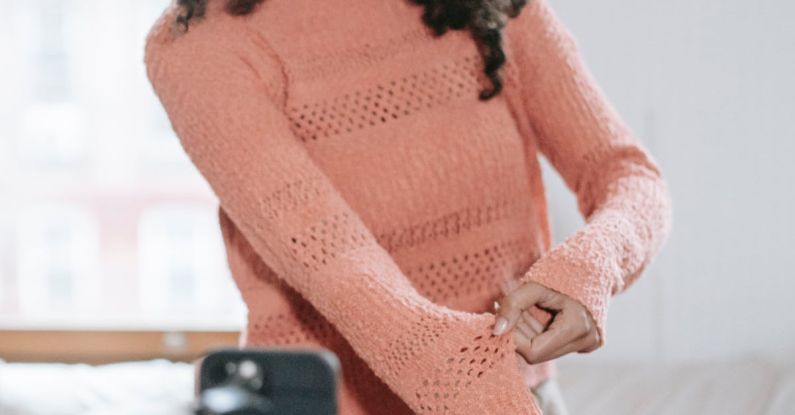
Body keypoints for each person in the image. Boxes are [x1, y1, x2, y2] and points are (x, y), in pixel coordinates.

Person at [143, 0, 673, 413]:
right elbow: (334, 258)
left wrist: (590, 268)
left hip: (510, 392)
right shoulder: (199, 44)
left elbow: (627, 174)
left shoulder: (492, 9)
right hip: (322, 402)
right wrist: (469, 379)